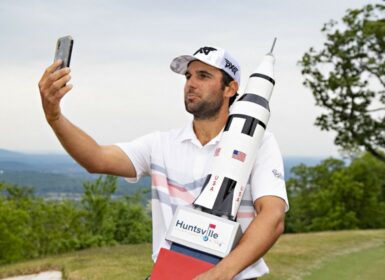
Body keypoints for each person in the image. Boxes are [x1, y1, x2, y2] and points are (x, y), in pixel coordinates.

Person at [38, 45, 289, 280]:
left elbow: (273, 216)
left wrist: (219, 274)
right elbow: (96, 158)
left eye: (203, 76)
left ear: (230, 88)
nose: (191, 84)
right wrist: (54, 116)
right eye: (188, 77)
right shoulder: (160, 144)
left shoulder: (259, 142)